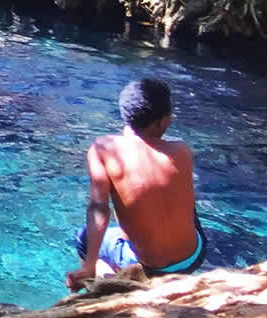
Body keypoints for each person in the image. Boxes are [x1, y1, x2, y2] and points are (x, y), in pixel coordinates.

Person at [66, 78, 207, 289]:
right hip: (193, 257)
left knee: (82, 238)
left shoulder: (103, 150)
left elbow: (99, 208)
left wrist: (89, 263)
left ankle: (102, 279)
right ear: (160, 122)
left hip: (151, 267)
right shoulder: (182, 150)